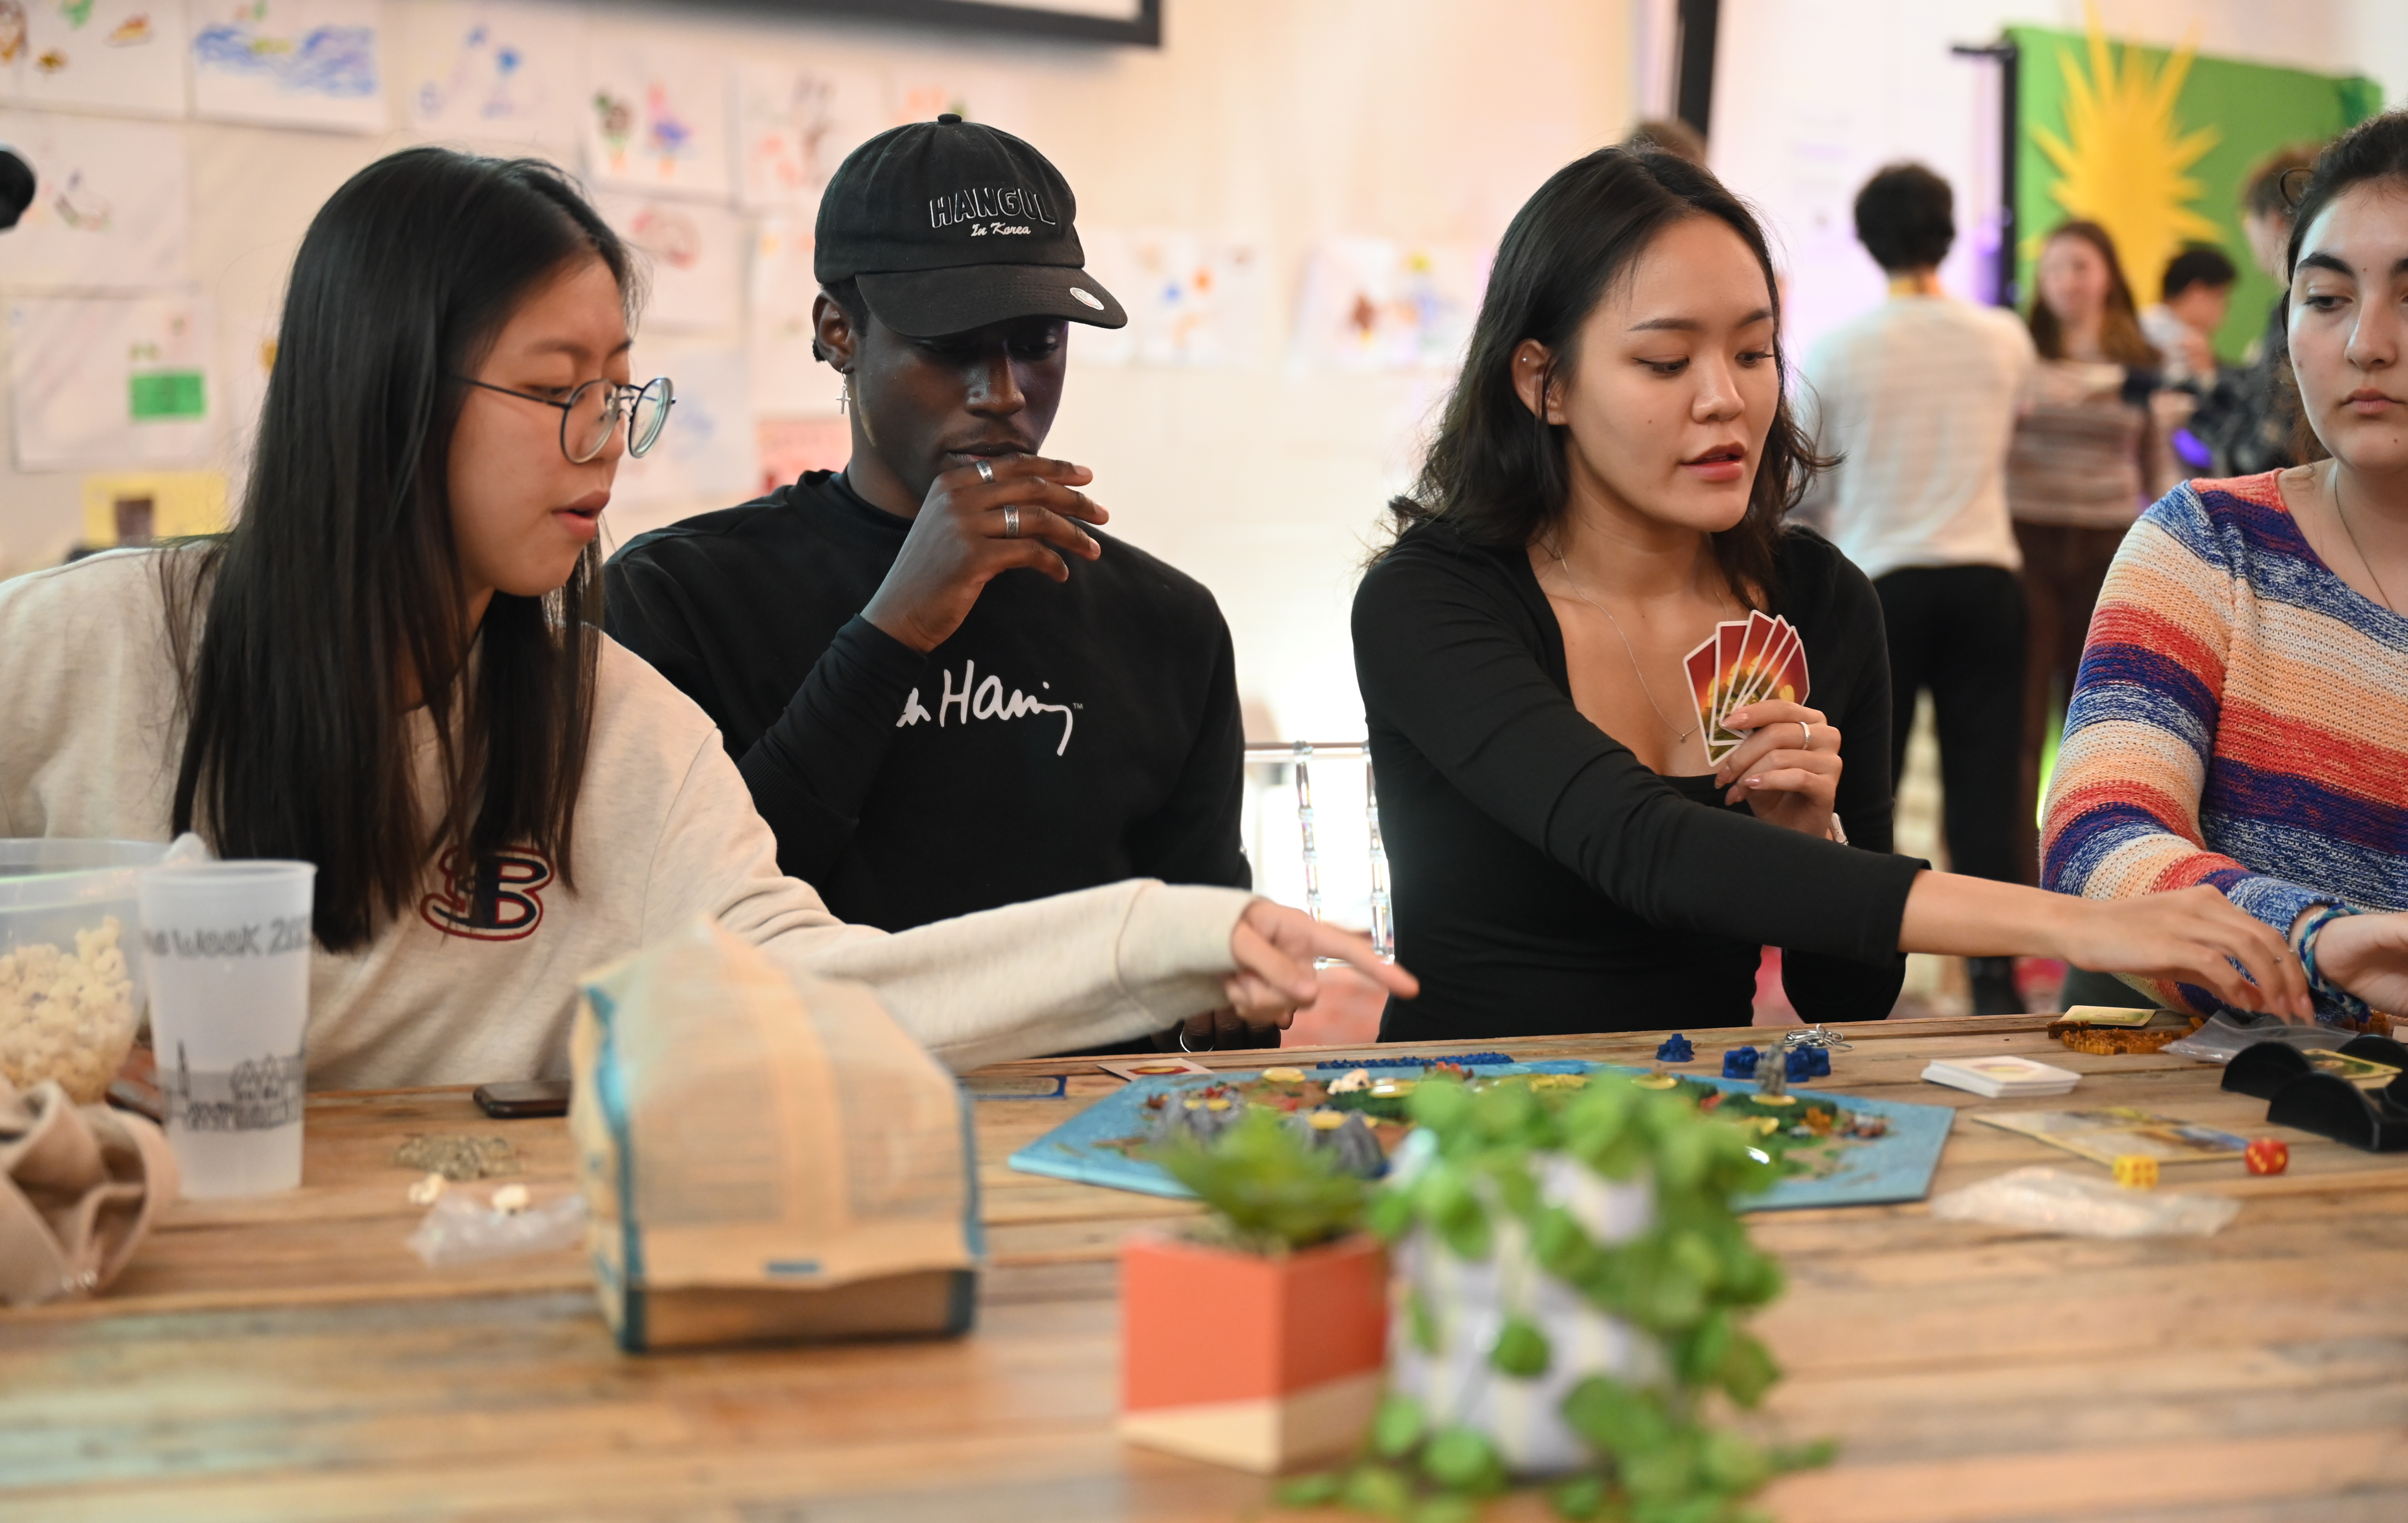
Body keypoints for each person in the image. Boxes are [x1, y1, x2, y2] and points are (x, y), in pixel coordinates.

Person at [0, 147, 1408, 1090]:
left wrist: (1171, 937)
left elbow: (810, 984)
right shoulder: (98, 642)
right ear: (386, 390)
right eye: (561, 390)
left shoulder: (601, 711)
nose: (606, 442)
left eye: (620, 387)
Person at [1349, 144, 2309, 1041]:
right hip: (1467, 1133)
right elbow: (1645, 847)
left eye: (1754, 351)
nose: (1724, 398)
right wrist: (2084, 924)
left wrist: (1819, 833)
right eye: (1665, 361)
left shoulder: (1819, 598)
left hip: (1704, 1133)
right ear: (1544, 381)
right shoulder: (1431, 602)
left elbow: (1846, 997)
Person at [604, 115, 1264, 1051]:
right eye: (953, 346)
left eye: (1038, 342)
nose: (1005, 390)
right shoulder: (679, 596)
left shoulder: (1169, 623)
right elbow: (671, 934)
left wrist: (1234, 987)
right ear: (838, 330)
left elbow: (1208, 989)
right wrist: (891, 631)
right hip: (795, 1122)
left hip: (1095, 1150)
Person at [2045, 112, 2408, 1024]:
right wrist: (2310, 939)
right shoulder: (2209, 545)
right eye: (2325, 298)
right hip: (2220, 1114)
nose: (2368, 342)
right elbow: (2096, 836)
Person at [1794, 163, 2037, 1014]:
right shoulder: (2005, 337)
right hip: (1985, 577)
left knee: (1871, 793)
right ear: (1948, 229)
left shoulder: (1836, 350)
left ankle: (1865, 976)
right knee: (1990, 792)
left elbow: (1808, 491)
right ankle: (2000, 981)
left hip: (1880, 585)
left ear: (1867, 241)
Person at [2007, 219, 2164, 883]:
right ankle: (2018, 881)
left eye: (2079, 266)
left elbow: (2156, 463)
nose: (2067, 280)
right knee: (2019, 718)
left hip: (2110, 544)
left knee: (2096, 717)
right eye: (2054, 269)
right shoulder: (2016, 351)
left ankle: (2088, 870)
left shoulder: (2141, 360)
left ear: (2106, 273)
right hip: (2024, 541)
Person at [2192, 143, 2324, 480]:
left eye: (2248, 221)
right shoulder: (2298, 305)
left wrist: (2195, 412)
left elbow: (2261, 456)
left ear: (2274, 220)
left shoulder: (2294, 311)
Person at [2141, 242, 2238, 391]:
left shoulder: (2144, 323)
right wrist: (2207, 375)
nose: (2223, 312)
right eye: (2221, 297)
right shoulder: (2170, 338)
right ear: (2198, 293)